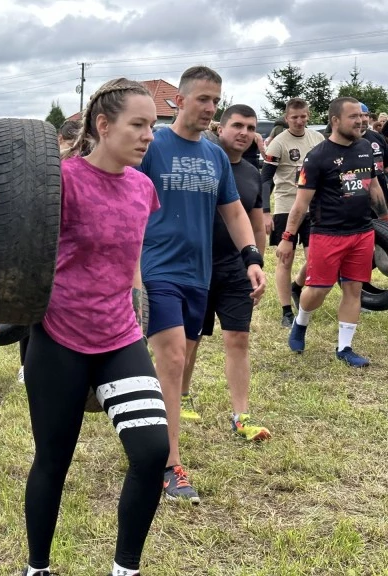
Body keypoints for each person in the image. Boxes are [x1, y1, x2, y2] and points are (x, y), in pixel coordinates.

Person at [20, 78, 168, 576]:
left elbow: (132, 265)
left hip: (120, 336)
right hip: (59, 337)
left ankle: (125, 569)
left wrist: (142, 309)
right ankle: (37, 567)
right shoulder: (61, 181)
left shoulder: (143, 188)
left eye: (153, 124)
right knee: (53, 460)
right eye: (139, 124)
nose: (150, 134)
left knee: (152, 453)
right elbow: (23, 256)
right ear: (103, 126)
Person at [140, 66, 266, 504]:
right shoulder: (153, 144)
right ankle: (168, 464)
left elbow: (233, 212)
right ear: (180, 100)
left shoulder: (215, 157)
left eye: (216, 100)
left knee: (181, 358)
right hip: (156, 269)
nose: (211, 108)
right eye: (203, 100)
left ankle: (142, 429)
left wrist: (252, 257)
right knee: (173, 359)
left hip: (200, 274)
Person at [181, 104, 270, 441]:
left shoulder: (251, 173)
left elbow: (256, 224)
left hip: (235, 269)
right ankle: (181, 395)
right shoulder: (202, 163)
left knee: (238, 338)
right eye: (237, 125)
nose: (244, 133)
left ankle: (241, 416)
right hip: (195, 267)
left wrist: (256, 263)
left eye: (250, 127)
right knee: (189, 341)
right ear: (221, 129)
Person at [282, 97, 388, 367]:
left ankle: (345, 347)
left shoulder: (366, 148)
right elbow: (300, 204)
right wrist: (287, 238)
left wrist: (385, 220)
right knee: (318, 290)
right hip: (327, 234)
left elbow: (373, 187)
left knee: (353, 289)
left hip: (362, 232)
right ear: (335, 121)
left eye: (363, 116)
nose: (361, 120)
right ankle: (301, 320)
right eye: (353, 116)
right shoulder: (317, 157)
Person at [17, 119, 82, 384]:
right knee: (34, 311)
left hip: (63, 249)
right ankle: (27, 365)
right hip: (43, 247)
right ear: (60, 140)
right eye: (71, 146)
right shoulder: (48, 168)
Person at [262, 98, 325, 327]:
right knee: (285, 259)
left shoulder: (317, 139)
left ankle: (297, 286)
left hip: (313, 208)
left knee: (316, 258)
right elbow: (265, 178)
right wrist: (266, 212)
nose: (299, 121)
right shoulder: (278, 142)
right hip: (286, 207)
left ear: (308, 115)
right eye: (294, 117)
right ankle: (286, 311)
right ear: (286, 118)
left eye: (303, 116)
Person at [359, 103, 388, 202]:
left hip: (380, 199)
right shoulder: (343, 142)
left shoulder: (378, 138)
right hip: (356, 204)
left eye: (366, 115)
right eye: (359, 115)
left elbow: (386, 167)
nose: (364, 119)